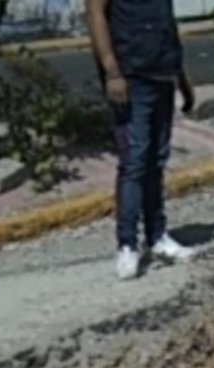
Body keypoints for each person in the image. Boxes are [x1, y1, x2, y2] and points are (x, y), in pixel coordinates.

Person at [86, 0, 197, 281]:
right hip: (131, 78)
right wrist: (111, 71)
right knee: (134, 161)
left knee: (156, 161)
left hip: (162, 75)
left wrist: (182, 79)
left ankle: (157, 237)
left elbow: (168, 27)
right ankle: (127, 244)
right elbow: (95, 13)